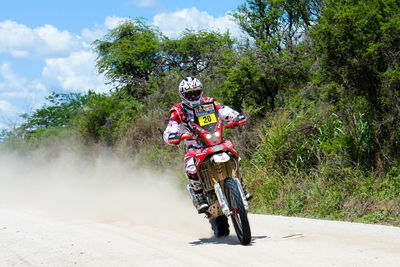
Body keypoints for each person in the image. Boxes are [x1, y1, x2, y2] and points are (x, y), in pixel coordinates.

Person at [163, 76, 252, 213]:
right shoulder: (177, 111)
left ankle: (241, 185)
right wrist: (173, 135)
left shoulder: (210, 103)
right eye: (189, 94)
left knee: (234, 153)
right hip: (194, 146)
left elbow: (224, 110)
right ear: (182, 95)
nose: (193, 97)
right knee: (190, 166)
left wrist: (236, 116)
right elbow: (171, 127)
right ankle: (199, 196)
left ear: (201, 91)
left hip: (215, 140)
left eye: (196, 92)